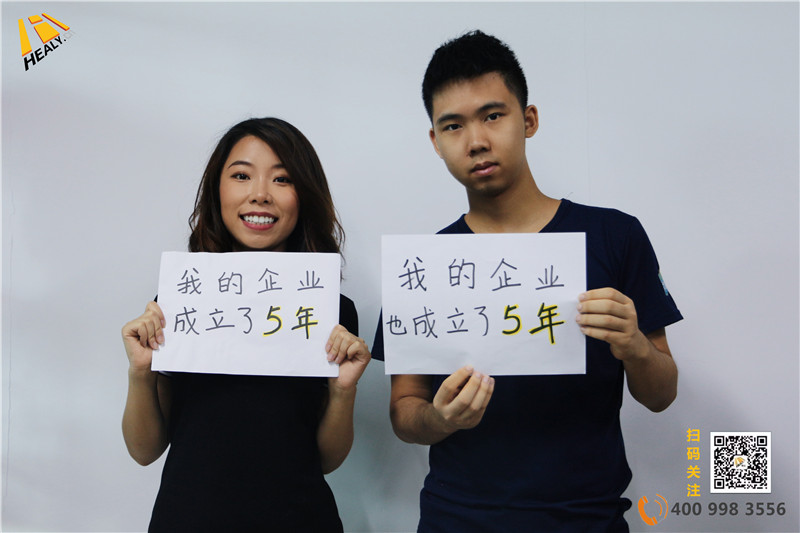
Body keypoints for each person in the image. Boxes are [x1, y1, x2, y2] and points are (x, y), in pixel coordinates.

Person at [372, 30, 682, 532]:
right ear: (435, 142)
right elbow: (404, 410)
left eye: (493, 116)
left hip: (588, 519)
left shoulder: (615, 236)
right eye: (453, 126)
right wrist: (440, 420)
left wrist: (635, 348)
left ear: (529, 119)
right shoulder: (423, 266)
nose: (476, 141)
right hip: (457, 520)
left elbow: (661, 393)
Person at [122, 117, 370, 532]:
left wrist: (343, 391)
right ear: (217, 190)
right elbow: (144, 450)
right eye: (241, 176)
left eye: (282, 179)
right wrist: (140, 372)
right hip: (188, 520)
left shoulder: (333, 311)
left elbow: (326, 460)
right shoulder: (179, 302)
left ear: (304, 196)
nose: (260, 194)